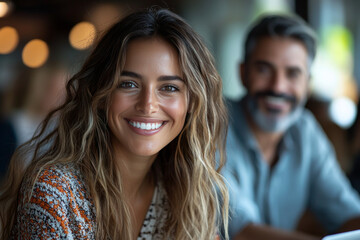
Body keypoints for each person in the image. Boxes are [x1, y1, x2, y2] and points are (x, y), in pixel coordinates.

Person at [0, 8, 229, 240]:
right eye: (128, 84)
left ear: (192, 102)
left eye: (169, 88)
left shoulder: (189, 194)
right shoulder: (55, 194)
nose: (148, 105)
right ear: (100, 94)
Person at [222, 14, 360, 240]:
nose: (278, 87)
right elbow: (240, 232)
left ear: (307, 84)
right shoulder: (211, 125)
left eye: (293, 74)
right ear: (242, 73)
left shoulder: (304, 129)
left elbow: (348, 213)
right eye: (264, 70)